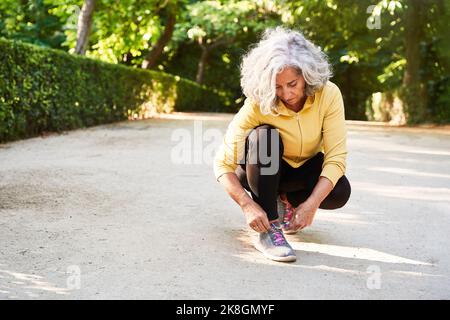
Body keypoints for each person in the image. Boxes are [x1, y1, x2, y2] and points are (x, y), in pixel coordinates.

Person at [213, 27, 351, 263]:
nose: (286, 94)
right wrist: (247, 205)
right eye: (277, 86)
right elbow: (222, 163)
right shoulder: (259, 102)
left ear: (306, 75)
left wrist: (311, 205)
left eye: (292, 84)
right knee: (264, 136)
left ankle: (284, 199)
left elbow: (336, 157)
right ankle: (268, 228)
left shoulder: (328, 94)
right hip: (261, 169)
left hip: (300, 170)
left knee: (339, 191)